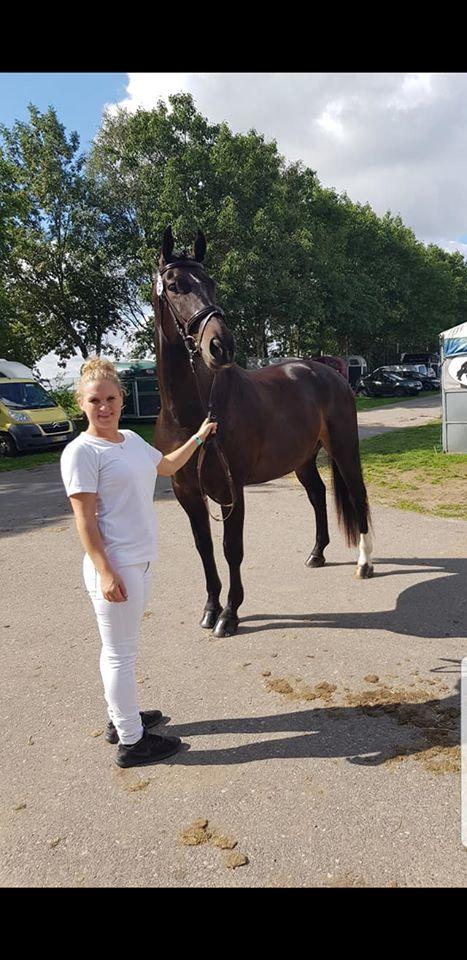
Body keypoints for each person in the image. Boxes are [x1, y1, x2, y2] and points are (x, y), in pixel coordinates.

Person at [60, 357, 217, 768]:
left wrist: (198, 438)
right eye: (95, 400)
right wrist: (106, 571)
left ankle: (121, 717)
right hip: (116, 566)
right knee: (119, 654)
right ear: (82, 403)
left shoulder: (129, 439)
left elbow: (166, 466)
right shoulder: (81, 452)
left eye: (111, 398)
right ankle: (132, 741)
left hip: (137, 561)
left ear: (121, 400)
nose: (104, 407)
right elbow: (85, 521)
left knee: (119, 651)